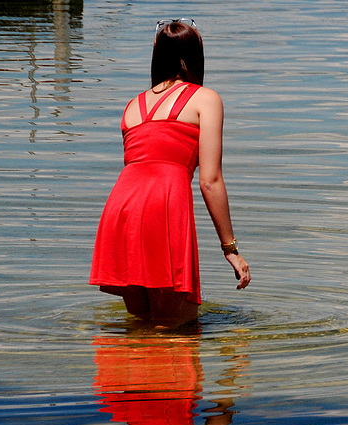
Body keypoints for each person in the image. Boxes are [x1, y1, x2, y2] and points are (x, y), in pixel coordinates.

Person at [89, 18, 250, 328]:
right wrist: (231, 249)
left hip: (120, 210)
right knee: (180, 329)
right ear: (191, 58)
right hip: (163, 207)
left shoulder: (132, 106)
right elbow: (210, 180)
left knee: (142, 325)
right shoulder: (206, 99)